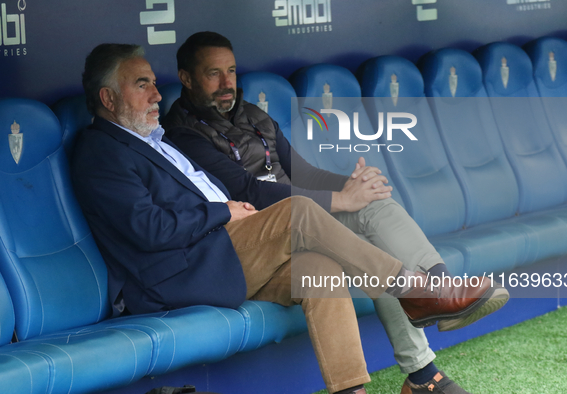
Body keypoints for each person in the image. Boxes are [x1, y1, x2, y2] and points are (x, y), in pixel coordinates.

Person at [72, 43, 501, 394]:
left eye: (152, 83)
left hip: (220, 251)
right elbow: (149, 229)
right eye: (142, 84)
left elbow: (293, 173)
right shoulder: (102, 150)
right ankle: (417, 290)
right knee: (299, 211)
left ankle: (353, 389)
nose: (156, 94)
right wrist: (222, 210)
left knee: (321, 271)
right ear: (108, 98)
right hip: (182, 270)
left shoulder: (154, 139)